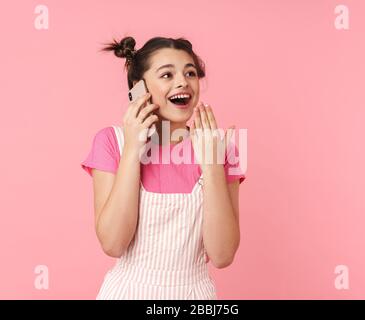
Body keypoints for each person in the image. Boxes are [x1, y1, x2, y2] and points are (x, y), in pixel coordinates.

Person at [81, 36, 246, 299]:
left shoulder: (223, 149)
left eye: (190, 73)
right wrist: (134, 148)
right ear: (139, 88)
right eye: (167, 75)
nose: (183, 82)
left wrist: (212, 166)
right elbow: (113, 244)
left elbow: (223, 255)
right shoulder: (112, 142)